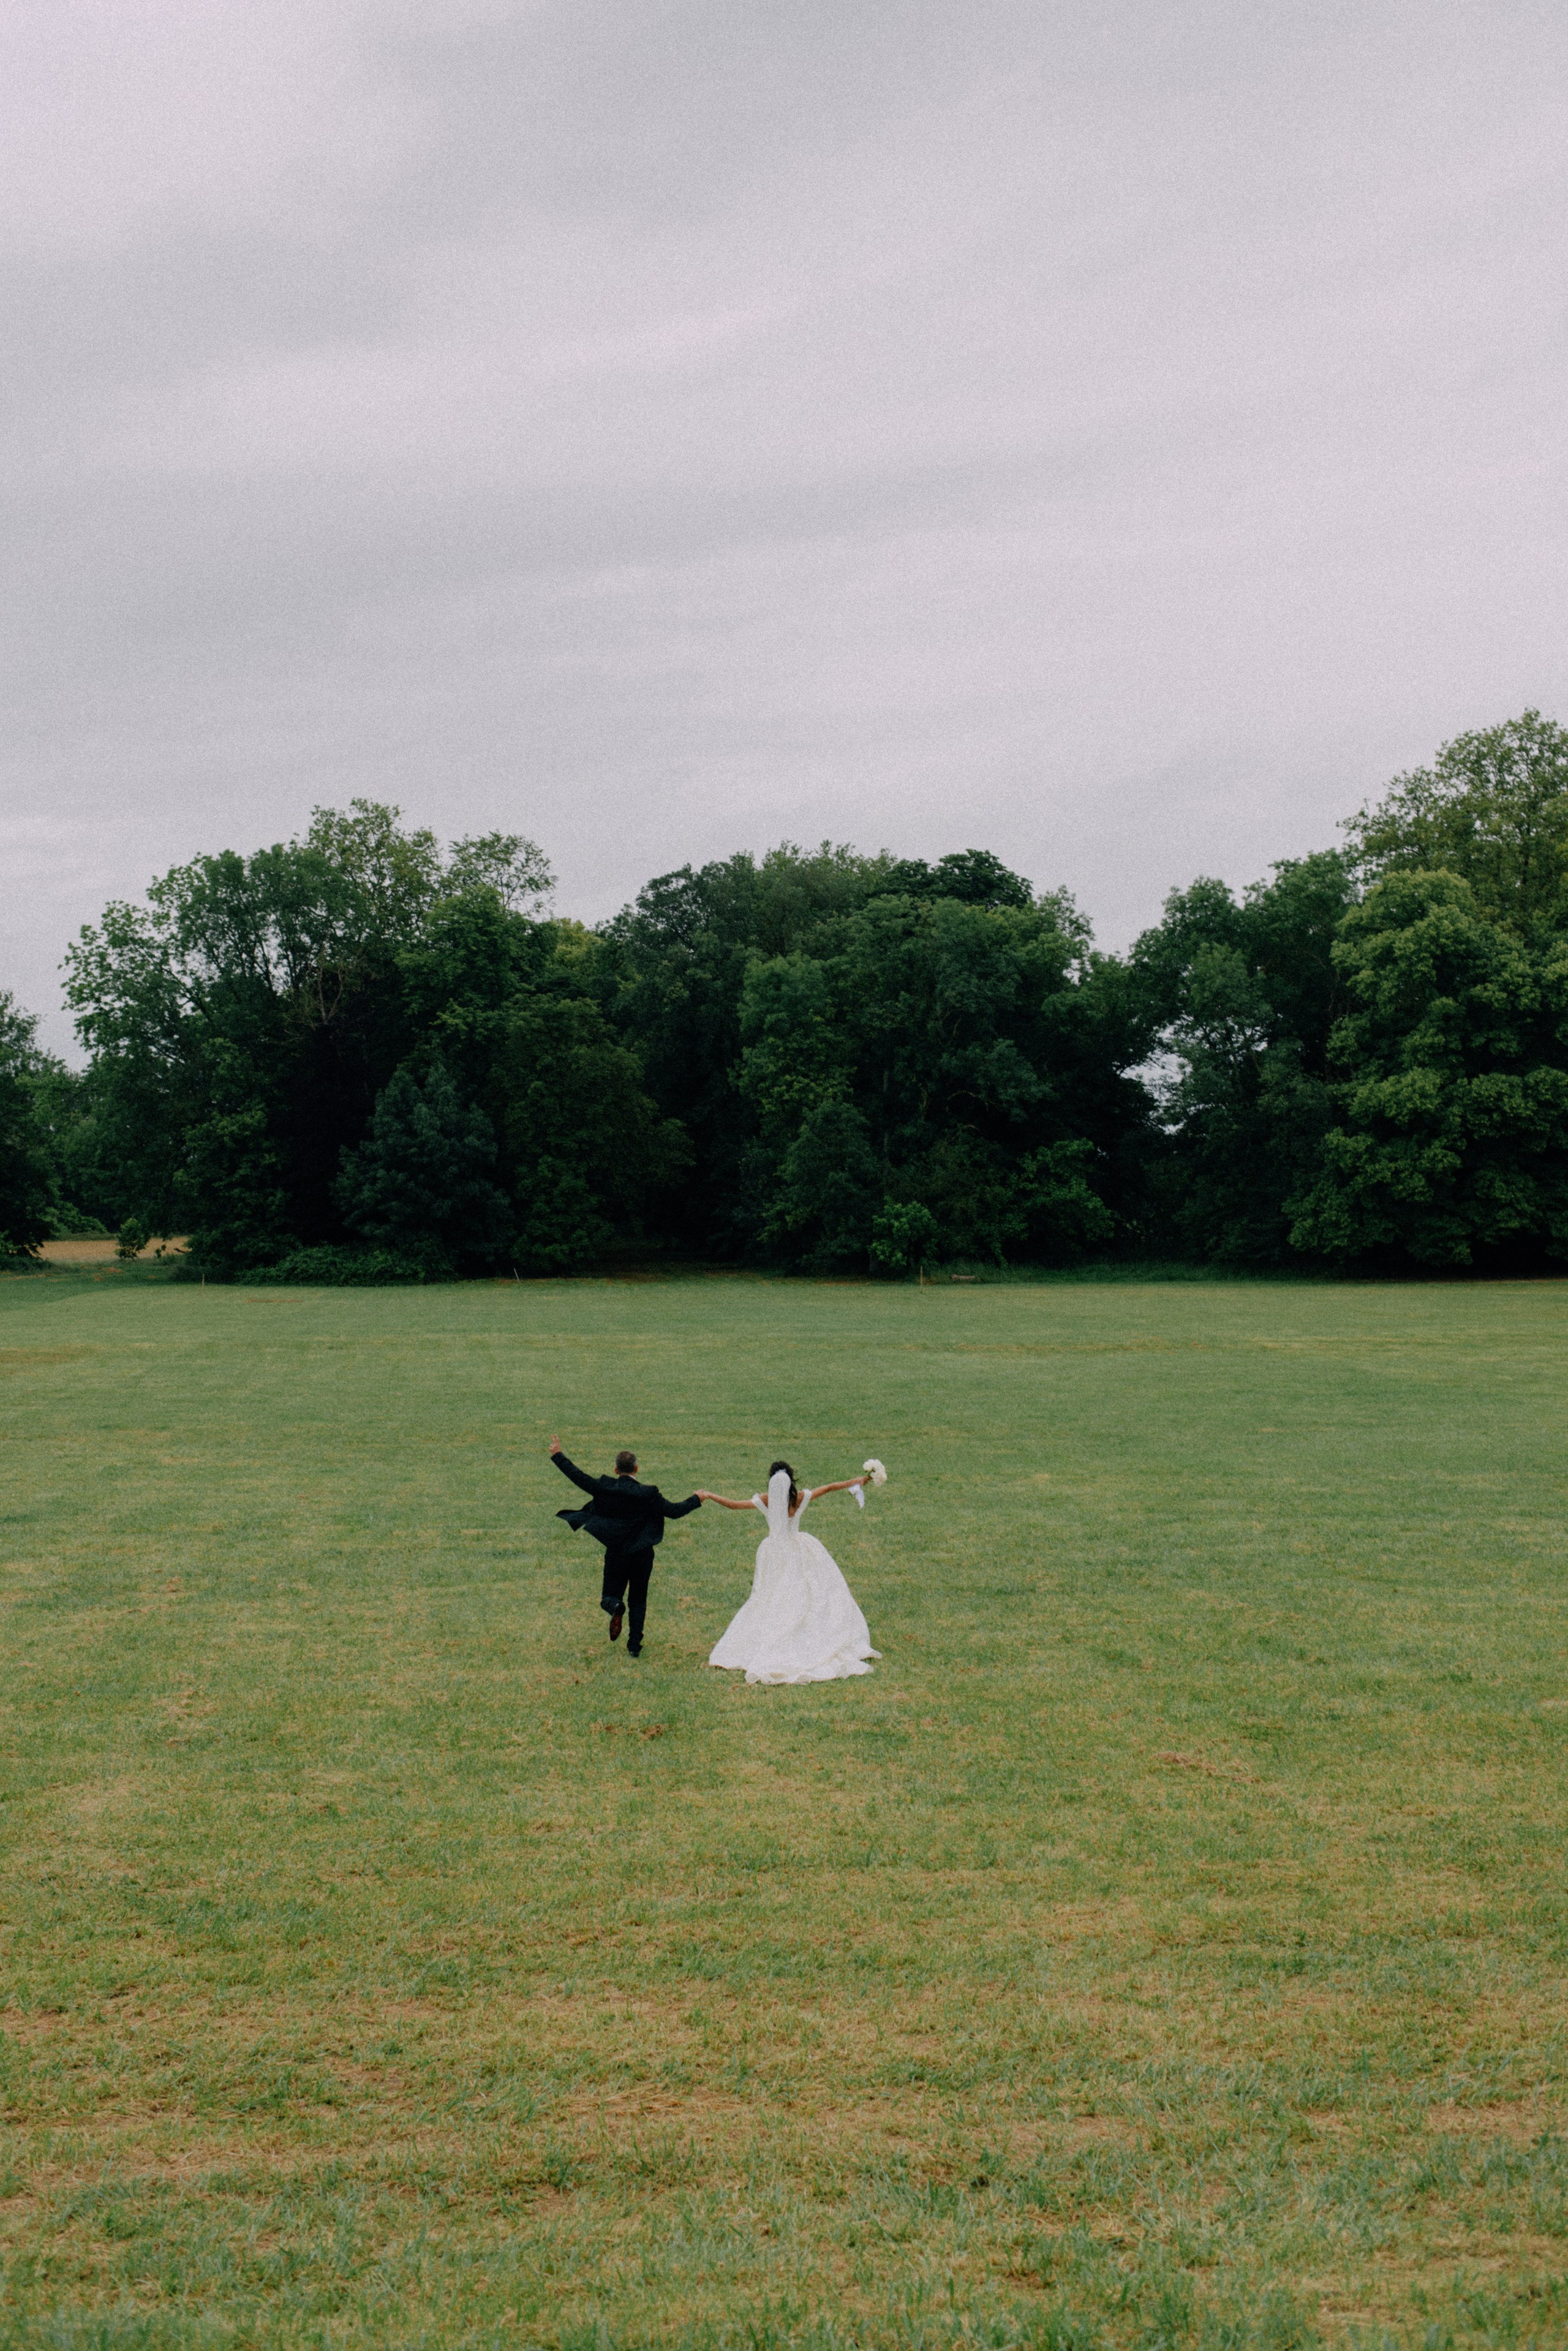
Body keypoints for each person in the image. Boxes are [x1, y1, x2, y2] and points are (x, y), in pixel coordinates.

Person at [700, 1460, 880, 1685]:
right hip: (798, 1550)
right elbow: (830, 1487)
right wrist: (854, 1482)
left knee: (773, 1595)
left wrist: (709, 1495)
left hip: (775, 1553)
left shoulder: (767, 1500)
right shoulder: (800, 1498)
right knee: (807, 1592)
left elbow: (735, 1505)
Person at [548, 1436, 702, 1657]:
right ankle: (634, 1646)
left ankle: (615, 1607)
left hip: (616, 1553)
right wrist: (697, 1498)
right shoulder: (649, 1494)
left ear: (615, 1470)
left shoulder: (605, 1487)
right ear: (637, 1469)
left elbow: (578, 1477)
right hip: (642, 1554)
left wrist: (558, 1455)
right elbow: (675, 1512)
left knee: (609, 1597)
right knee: (639, 1599)